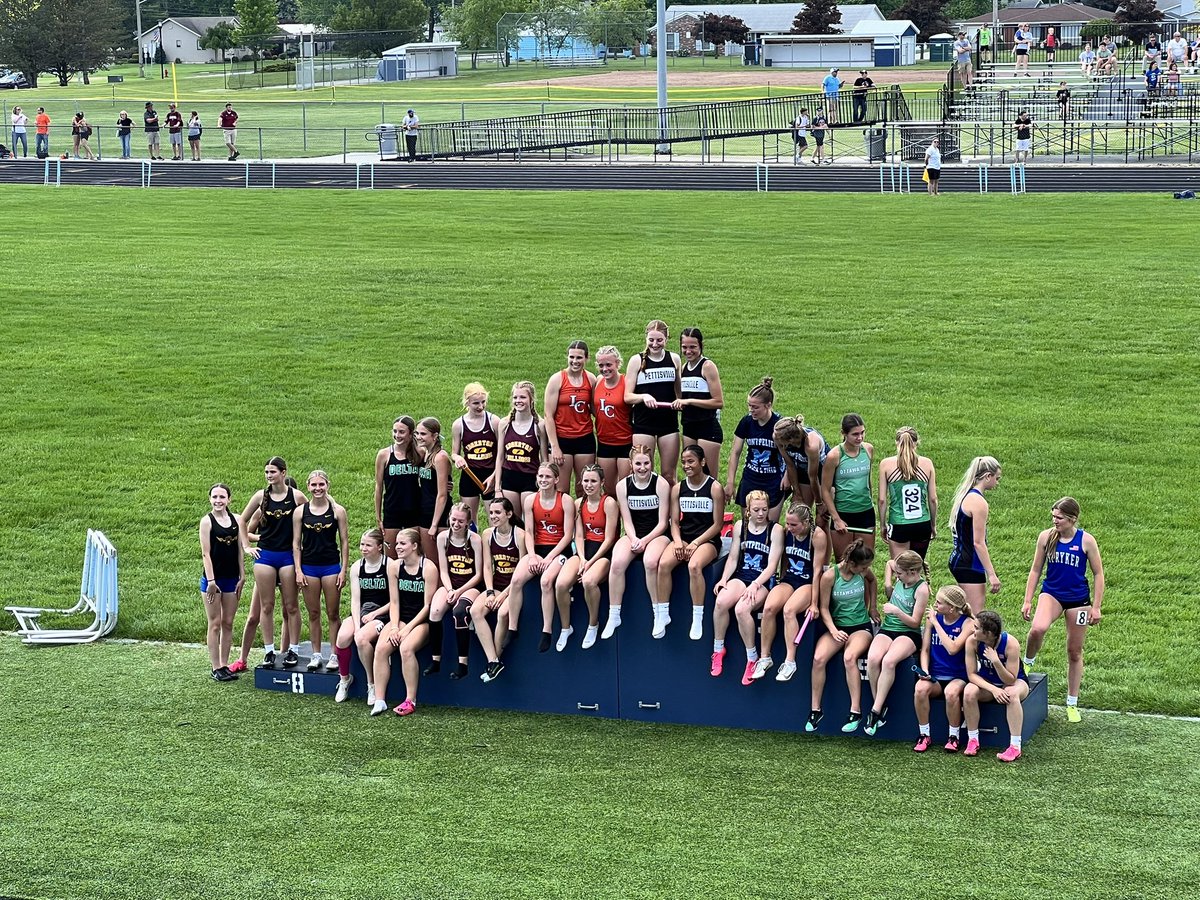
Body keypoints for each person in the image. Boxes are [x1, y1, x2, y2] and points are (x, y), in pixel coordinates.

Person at [1020, 497, 1105, 723]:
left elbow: (1098, 574)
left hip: (1079, 601)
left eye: (1059, 518)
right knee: (1037, 629)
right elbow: (1035, 570)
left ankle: (1072, 703)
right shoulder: (1046, 537)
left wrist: (1096, 607)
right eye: (1053, 516)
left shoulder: (1086, 541)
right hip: (1052, 594)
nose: (1054, 521)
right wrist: (1028, 600)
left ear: (1072, 519)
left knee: (1074, 651)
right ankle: (1027, 663)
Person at [241, 457, 307, 667]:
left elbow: (314, 514)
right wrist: (246, 546)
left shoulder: (296, 496)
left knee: (291, 606)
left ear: (283, 473)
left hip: (287, 556)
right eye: (266, 472)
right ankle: (269, 651)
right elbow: (241, 520)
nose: (269, 475)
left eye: (273, 472)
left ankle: (293, 650)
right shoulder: (260, 496)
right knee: (267, 606)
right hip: (266, 556)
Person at [711, 490, 784, 682]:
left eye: (764, 510)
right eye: (756, 510)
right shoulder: (740, 526)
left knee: (742, 609)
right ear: (748, 510)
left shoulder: (775, 530)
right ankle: (718, 650)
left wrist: (756, 584)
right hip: (742, 576)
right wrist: (724, 579)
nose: (761, 514)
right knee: (721, 602)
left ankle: (752, 658)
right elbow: (733, 557)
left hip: (762, 581)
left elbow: (772, 565)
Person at [808, 540, 878, 733]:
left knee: (849, 657)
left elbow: (873, 581)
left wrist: (872, 607)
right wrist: (833, 631)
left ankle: (855, 711)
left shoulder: (862, 571)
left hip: (860, 627)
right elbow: (823, 608)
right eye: (863, 567)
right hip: (837, 627)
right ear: (851, 563)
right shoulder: (830, 576)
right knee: (818, 659)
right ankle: (815, 710)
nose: (866, 570)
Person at [656, 444, 724, 641]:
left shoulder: (714, 488)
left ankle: (697, 617)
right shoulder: (678, 489)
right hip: (684, 537)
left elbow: (718, 524)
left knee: (694, 566)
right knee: (663, 564)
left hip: (707, 539)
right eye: (684, 462)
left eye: (691, 461)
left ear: (702, 462)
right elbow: (675, 522)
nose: (686, 466)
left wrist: (696, 543)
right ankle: (663, 614)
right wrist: (678, 541)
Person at [603, 446, 671, 639]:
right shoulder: (622, 486)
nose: (642, 468)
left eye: (646, 463)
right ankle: (614, 614)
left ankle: (658, 613)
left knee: (650, 561)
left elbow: (662, 523)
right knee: (617, 563)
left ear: (652, 462)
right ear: (630, 464)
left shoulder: (661, 484)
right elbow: (627, 520)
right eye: (638, 463)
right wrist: (633, 539)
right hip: (634, 534)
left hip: (657, 534)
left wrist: (645, 540)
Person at [754, 501, 826, 682]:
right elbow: (783, 560)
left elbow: (818, 571)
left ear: (806, 523)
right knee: (769, 608)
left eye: (794, 524)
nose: (789, 527)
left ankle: (790, 661)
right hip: (790, 579)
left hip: (808, 582)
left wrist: (814, 603)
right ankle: (765, 658)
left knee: (789, 610)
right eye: (787, 523)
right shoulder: (787, 533)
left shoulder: (817, 535)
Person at [371, 528, 436, 717]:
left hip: (422, 622)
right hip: (400, 620)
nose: (397, 547)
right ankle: (380, 700)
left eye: (402, 543)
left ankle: (410, 700)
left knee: (406, 648)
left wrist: (407, 629)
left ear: (414, 546)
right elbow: (394, 602)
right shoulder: (394, 567)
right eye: (397, 543)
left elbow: (428, 607)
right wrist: (394, 627)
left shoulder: (428, 568)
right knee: (381, 649)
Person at [864, 551, 930, 735]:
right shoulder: (899, 570)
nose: (896, 576)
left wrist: (896, 611)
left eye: (899, 574)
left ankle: (875, 711)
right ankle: (879, 706)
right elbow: (889, 563)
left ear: (912, 572)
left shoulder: (921, 590)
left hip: (908, 632)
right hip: (888, 628)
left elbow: (915, 622)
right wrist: (888, 585)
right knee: (873, 658)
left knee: (889, 661)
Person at [513, 462, 576, 652]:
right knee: (516, 579)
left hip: (559, 551)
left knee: (546, 581)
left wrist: (549, 558)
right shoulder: (530, 500)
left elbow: (568, 536)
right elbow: (529, 531)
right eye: (540, 476)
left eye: (548, 476)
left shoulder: (565, 500)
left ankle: (546, 630)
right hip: (538, 550)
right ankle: (512, 627)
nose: (543, 480)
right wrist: (532, 556)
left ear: (556, 479)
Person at [556, 463, 619, 649]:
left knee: (589, 581)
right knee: (561, 584)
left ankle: (593, 624)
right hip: (584, 551)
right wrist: (582, 558)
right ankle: (566, 627)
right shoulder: (579, 503)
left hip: (603, 552)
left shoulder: (609, 503)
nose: (589, 485)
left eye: (593, 481)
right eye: (585, 481)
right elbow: (579, 535)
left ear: (602, 482)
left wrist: (591, 562)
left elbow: (609, 538)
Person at [291, 469, 349, 672]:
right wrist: (298, 570)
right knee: (314, 613)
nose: (318, 488)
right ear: (308, 486)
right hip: (309, 568)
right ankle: (316, 654)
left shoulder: (338, 511)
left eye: (321, 484)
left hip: (331, 567)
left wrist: (343, 570)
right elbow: (296, 543)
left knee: (333, 613)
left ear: (327, 485)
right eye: (314, 485)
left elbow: (344, 541)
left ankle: (334, 654)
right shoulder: (300, 512)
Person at [331, 529, 397, 704]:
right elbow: (355, 600)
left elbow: (395, 600)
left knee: (361, 639)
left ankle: (371, 683)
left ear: (379, 547)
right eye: (362, 544)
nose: (363, 548)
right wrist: (357, 624)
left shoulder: (389, 565)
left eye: (368, 545)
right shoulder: (357, 567)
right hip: (363, 613)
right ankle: (345, 679)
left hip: (382, 614)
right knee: (342, 637)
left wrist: (375, 614)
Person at [913, 584, 975, 752]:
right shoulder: (932, 620)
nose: (935, 605)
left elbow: (952, 649)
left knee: (951, 692)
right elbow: (925, 650)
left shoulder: (968, 623)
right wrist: (925, 671)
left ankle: (953, 737)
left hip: (958, 676)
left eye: (939, 603)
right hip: (935, 676)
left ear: (951, 608)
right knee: (920, 689)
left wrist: (936, 623)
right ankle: (924, 735)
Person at [425, 503, 484, 679]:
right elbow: (443, 570)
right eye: (453, 519)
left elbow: (479, 575)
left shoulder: (475, 540)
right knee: (435, 611)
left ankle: (462, 663)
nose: (456, 524)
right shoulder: (443, 537)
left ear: (468, 523)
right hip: (451, 583)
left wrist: (458, 592)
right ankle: (436, 660)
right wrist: (450, 589)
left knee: (459, 612)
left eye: (461, 521)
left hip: (470, 586)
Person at [472, 497, 526, 681]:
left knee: (503, 613)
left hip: (514, 589)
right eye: (491, 512)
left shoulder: (520, 535)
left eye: (497, 512)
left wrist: (503, 596)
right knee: (475, 611)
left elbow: (521, 573)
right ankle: (493, 661)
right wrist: (489, 592)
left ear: (508, 514)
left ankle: (496, 659)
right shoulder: (487, 534)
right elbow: (488, 567)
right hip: (496, 585)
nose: (493, 516)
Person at [963, 610, 1029, 762]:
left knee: (1011, 694)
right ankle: (973, 740)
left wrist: (996, 662)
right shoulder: (972, 641)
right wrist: (994, 689)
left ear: (988, 634)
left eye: (976, 628)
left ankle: (1015, 747)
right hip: (989, 683)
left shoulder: (1011, 644)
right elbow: (971, 675)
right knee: (969, 691)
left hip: (1016, 681)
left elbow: (1011, 679)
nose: (973, 630)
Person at [199, 483, 249, 681]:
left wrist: (242, 576)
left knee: (228, 622)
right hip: (213, 580)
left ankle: (224, 665)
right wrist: (211, 581)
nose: (218, 501)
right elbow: (206, 553)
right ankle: (215, 667)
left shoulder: (237, 520)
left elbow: (240, 549)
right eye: (215, 497)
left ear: (229, 499)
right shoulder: (207, 522)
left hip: (231, 579)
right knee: (215, 623)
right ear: (210, 499)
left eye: (222, 497)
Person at [625, 319, 681, 484]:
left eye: (659, 340)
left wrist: (680, 402)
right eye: (651, 340)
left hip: (668, 424)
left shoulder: (674, 359)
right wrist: (643, 397)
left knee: (669, 475)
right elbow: (627, 396)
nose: (655, 344)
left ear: (666, 339)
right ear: (646, 338)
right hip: (643, 424)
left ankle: (669, 501)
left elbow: (679, 393)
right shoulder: (636, 360)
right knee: (643, 472)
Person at [947, 456, 1002, 614]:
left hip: (960, 559)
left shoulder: (966, 495)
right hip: (970, 564)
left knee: (962, 612)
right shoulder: (979, 502)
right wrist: (992, 574)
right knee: (975, 615)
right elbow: (978, 542)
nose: (997, 483)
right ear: (988, 476)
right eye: (997, 478)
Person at [725, 376, 784, 522]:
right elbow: (735, 452)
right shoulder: (746, 422)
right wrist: (730, 482)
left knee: (770, 525)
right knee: (748, 523)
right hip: (751, 478)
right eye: (749, 406)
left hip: (773, 480)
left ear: (768, 405)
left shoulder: (779, 425)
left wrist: (787, 477)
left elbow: (788, 456)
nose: (751, 410)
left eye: (755, 407)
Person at [544, 340, 598, 495]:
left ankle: (582, 512)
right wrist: (555, 446)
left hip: (584, 438)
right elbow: (548, 415)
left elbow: (595, 409)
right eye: (571, 357)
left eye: (579, 357)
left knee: (584, 488)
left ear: (586, 358)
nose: (575, 361)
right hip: (562, 439)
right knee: (561, 489)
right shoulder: (557, 379)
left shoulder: (591, 379)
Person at [820, 413, 875, 561]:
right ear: (844, 433)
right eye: (855, 434)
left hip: (865, 511)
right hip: (843, 513)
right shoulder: (834, 456)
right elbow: (825, 490)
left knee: (865, 560)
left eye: (862, 432)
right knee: (844, 562)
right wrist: (836, 519)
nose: (860, 437)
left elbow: (868, 480)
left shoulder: (868, 449)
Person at [877, 425, 937, 560]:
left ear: (896, 442)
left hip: (899, 524)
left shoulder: (886, 464)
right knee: (915, 567)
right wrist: (932, 525)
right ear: (917, 442)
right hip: (922, 524)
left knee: (900, 567)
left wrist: (882, 525)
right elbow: (933, 499)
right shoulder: (927, 463)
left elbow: (882, 500)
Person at [493, 380, 547, 526]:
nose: (518, 401)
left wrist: (543, 482)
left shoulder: (539, 425)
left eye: (523, 397)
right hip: (509, 477)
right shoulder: (504, 424)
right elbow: (500, 457)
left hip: (530, 478)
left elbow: (544, 458)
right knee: (513, 521)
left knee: (530, 521)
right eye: (515, 397)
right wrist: (497, 487)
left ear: (531, 399)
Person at [674, 327, 724, 479]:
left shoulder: (707, 366)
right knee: (692, 474)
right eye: (684, 347)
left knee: (708, 476)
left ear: (701, 345)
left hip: (707, 427)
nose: (688, 351)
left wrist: (689, 401)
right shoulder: (684, 368)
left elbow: (718, 401)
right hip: (689, 426)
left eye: (693, 347)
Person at [450, 382, 499, 523]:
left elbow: (502, 452)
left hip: (491, 475)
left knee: (495, 519)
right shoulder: (459, 425)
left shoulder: (494, 421)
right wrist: (458, 458)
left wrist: (495, 476)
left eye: (483, 402)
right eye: (476, 403)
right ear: (467, 402)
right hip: (470, 475)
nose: (481, 406)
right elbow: (454, 453)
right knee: (469, 521)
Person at [375, 416, 423, 559]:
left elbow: (431, 477)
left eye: (402, 432)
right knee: (390, 558)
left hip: (414, 511)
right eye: (395, 431)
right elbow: (378, 487)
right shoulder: (384, 455)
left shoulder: (420, 453)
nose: (397, 435)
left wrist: (447, 484)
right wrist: (378, 518)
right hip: (392, 511)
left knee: (414, 556)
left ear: (411, 433)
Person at [592, 345, 634, 497]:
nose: (605, 369)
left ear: (617, 363)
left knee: (625, 489)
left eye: (608, 365)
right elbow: (594, 407)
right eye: (601, 365)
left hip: (625, 442)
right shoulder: (598, 381)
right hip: (604, 442)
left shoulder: (626, 382)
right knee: (609, 490)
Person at [773, 413, 829, 512]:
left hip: (824, 471)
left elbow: (813, 477)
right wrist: (797, 493)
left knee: (822, 516)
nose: (775, 438)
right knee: (798, 511)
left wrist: (819, 503)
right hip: (802, 468)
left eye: (779, 438)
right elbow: (790, 465)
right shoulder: (777, 437)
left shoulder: (811, 445)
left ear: (790, 439)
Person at [415, 417, 452, 559]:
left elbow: (442, 495)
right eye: (417, 433)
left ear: (435, 436)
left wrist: (434, 524)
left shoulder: (440, 457)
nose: (419, 437)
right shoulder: (424, 453)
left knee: (439, 560)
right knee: (429, 559)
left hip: (439, 514)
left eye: (423, 434)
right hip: (424, 510)